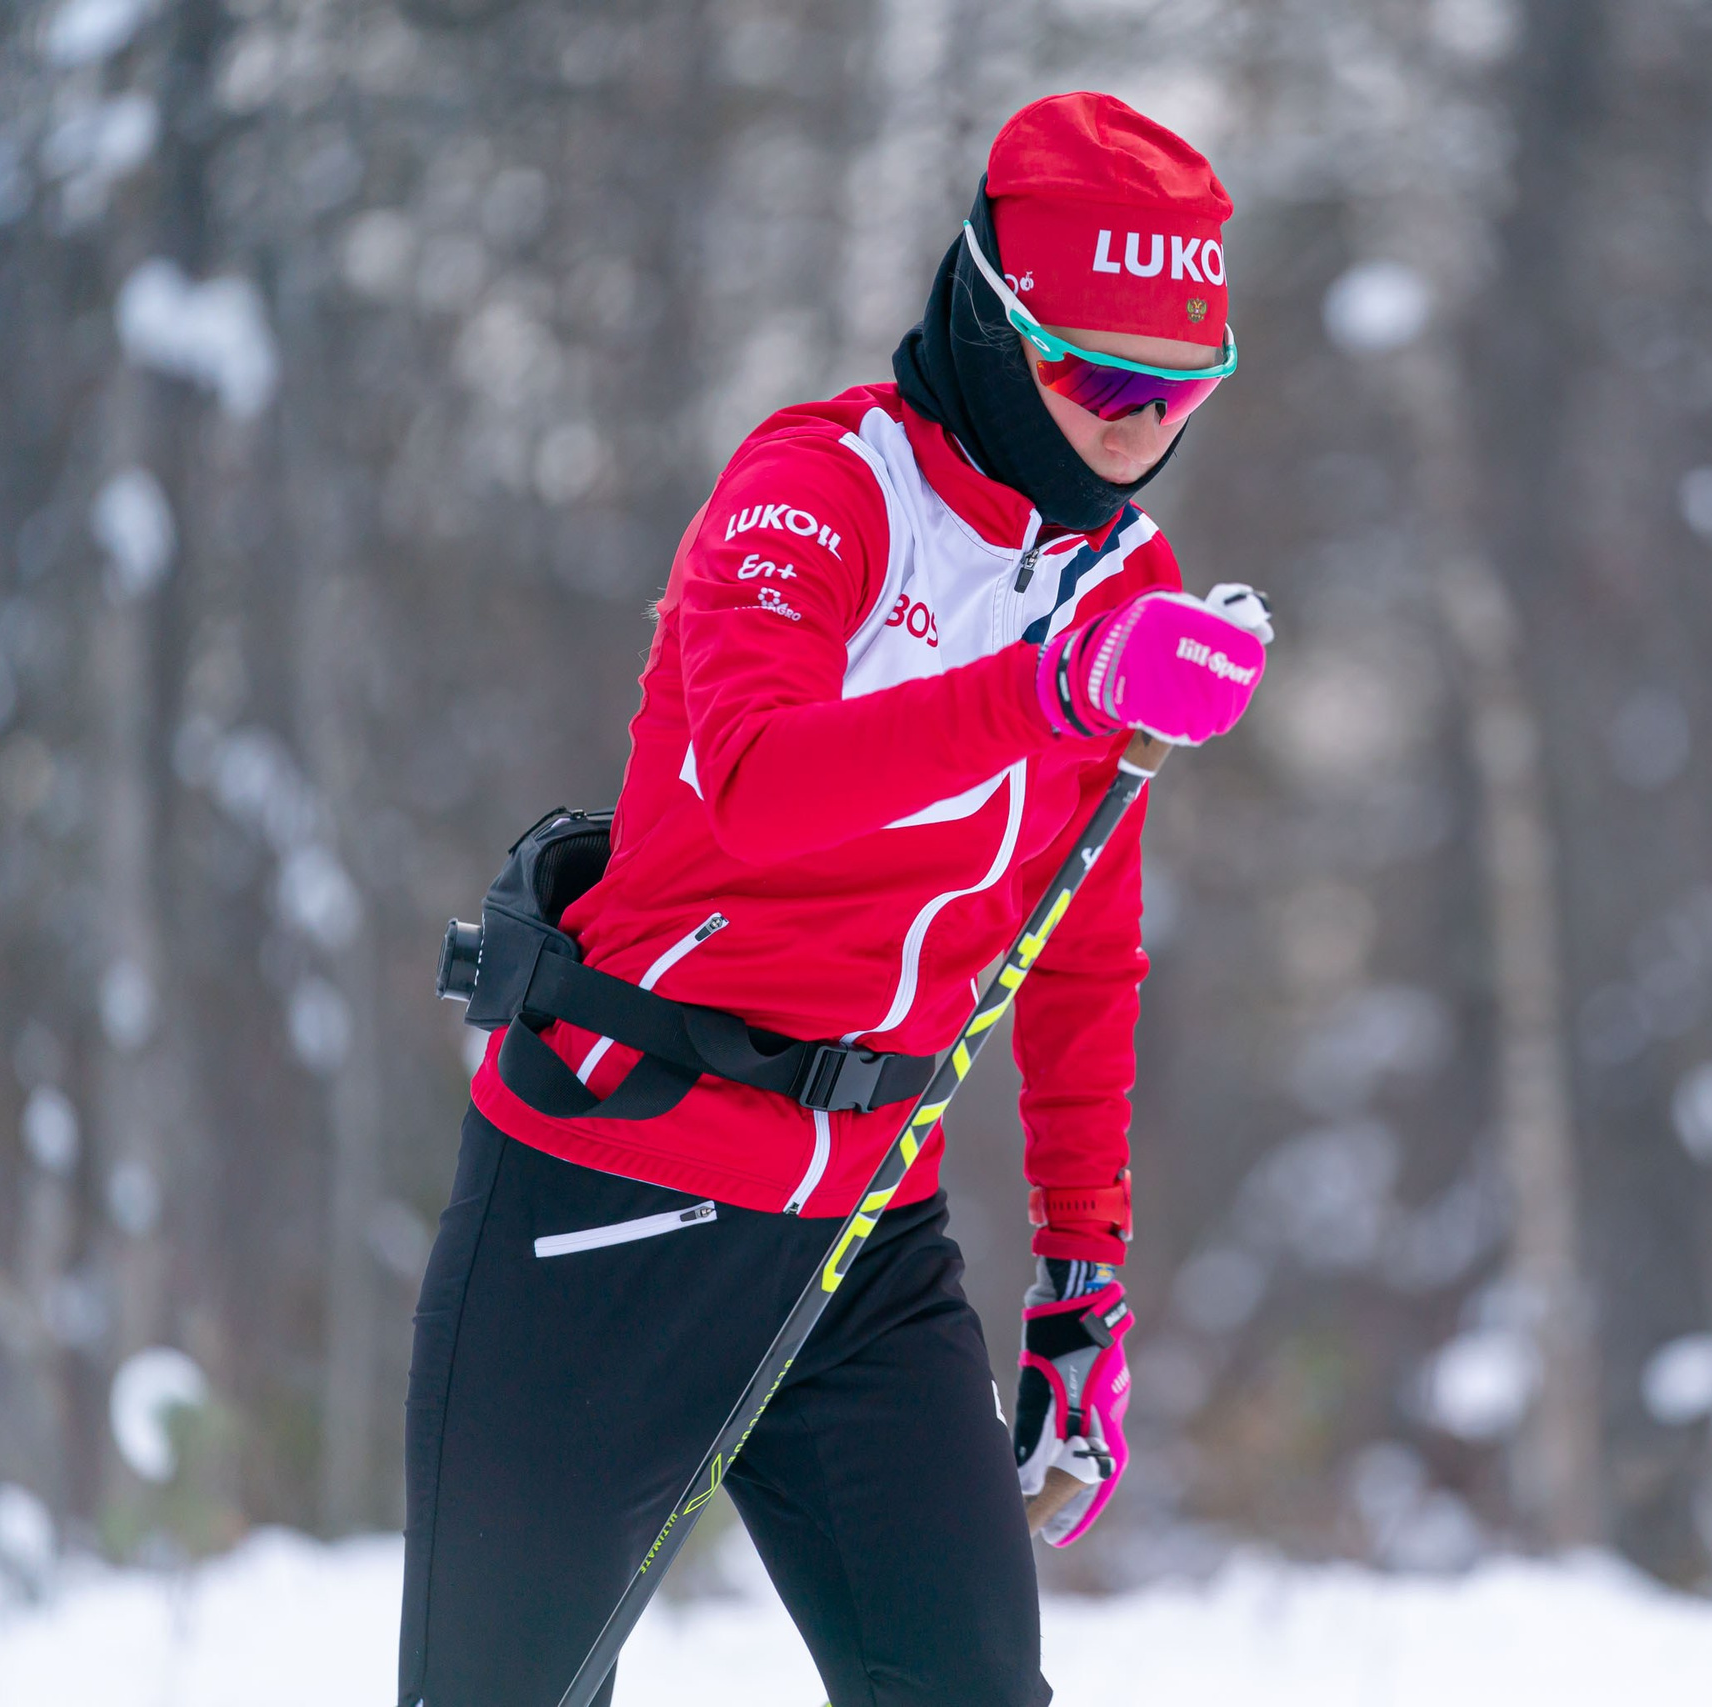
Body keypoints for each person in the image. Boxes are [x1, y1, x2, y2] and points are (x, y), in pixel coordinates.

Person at [397, 92, 1267, 1707]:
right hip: (613, 1193)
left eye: (1180, 388)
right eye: (1098, 376)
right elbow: (751, 780)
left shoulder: (1118, 583)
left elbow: (1081, 944)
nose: (1139, 427)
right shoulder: (822, 488)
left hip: (865, 1224)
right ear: (996, 322)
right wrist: (1055, 691)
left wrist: (1084, 1267)